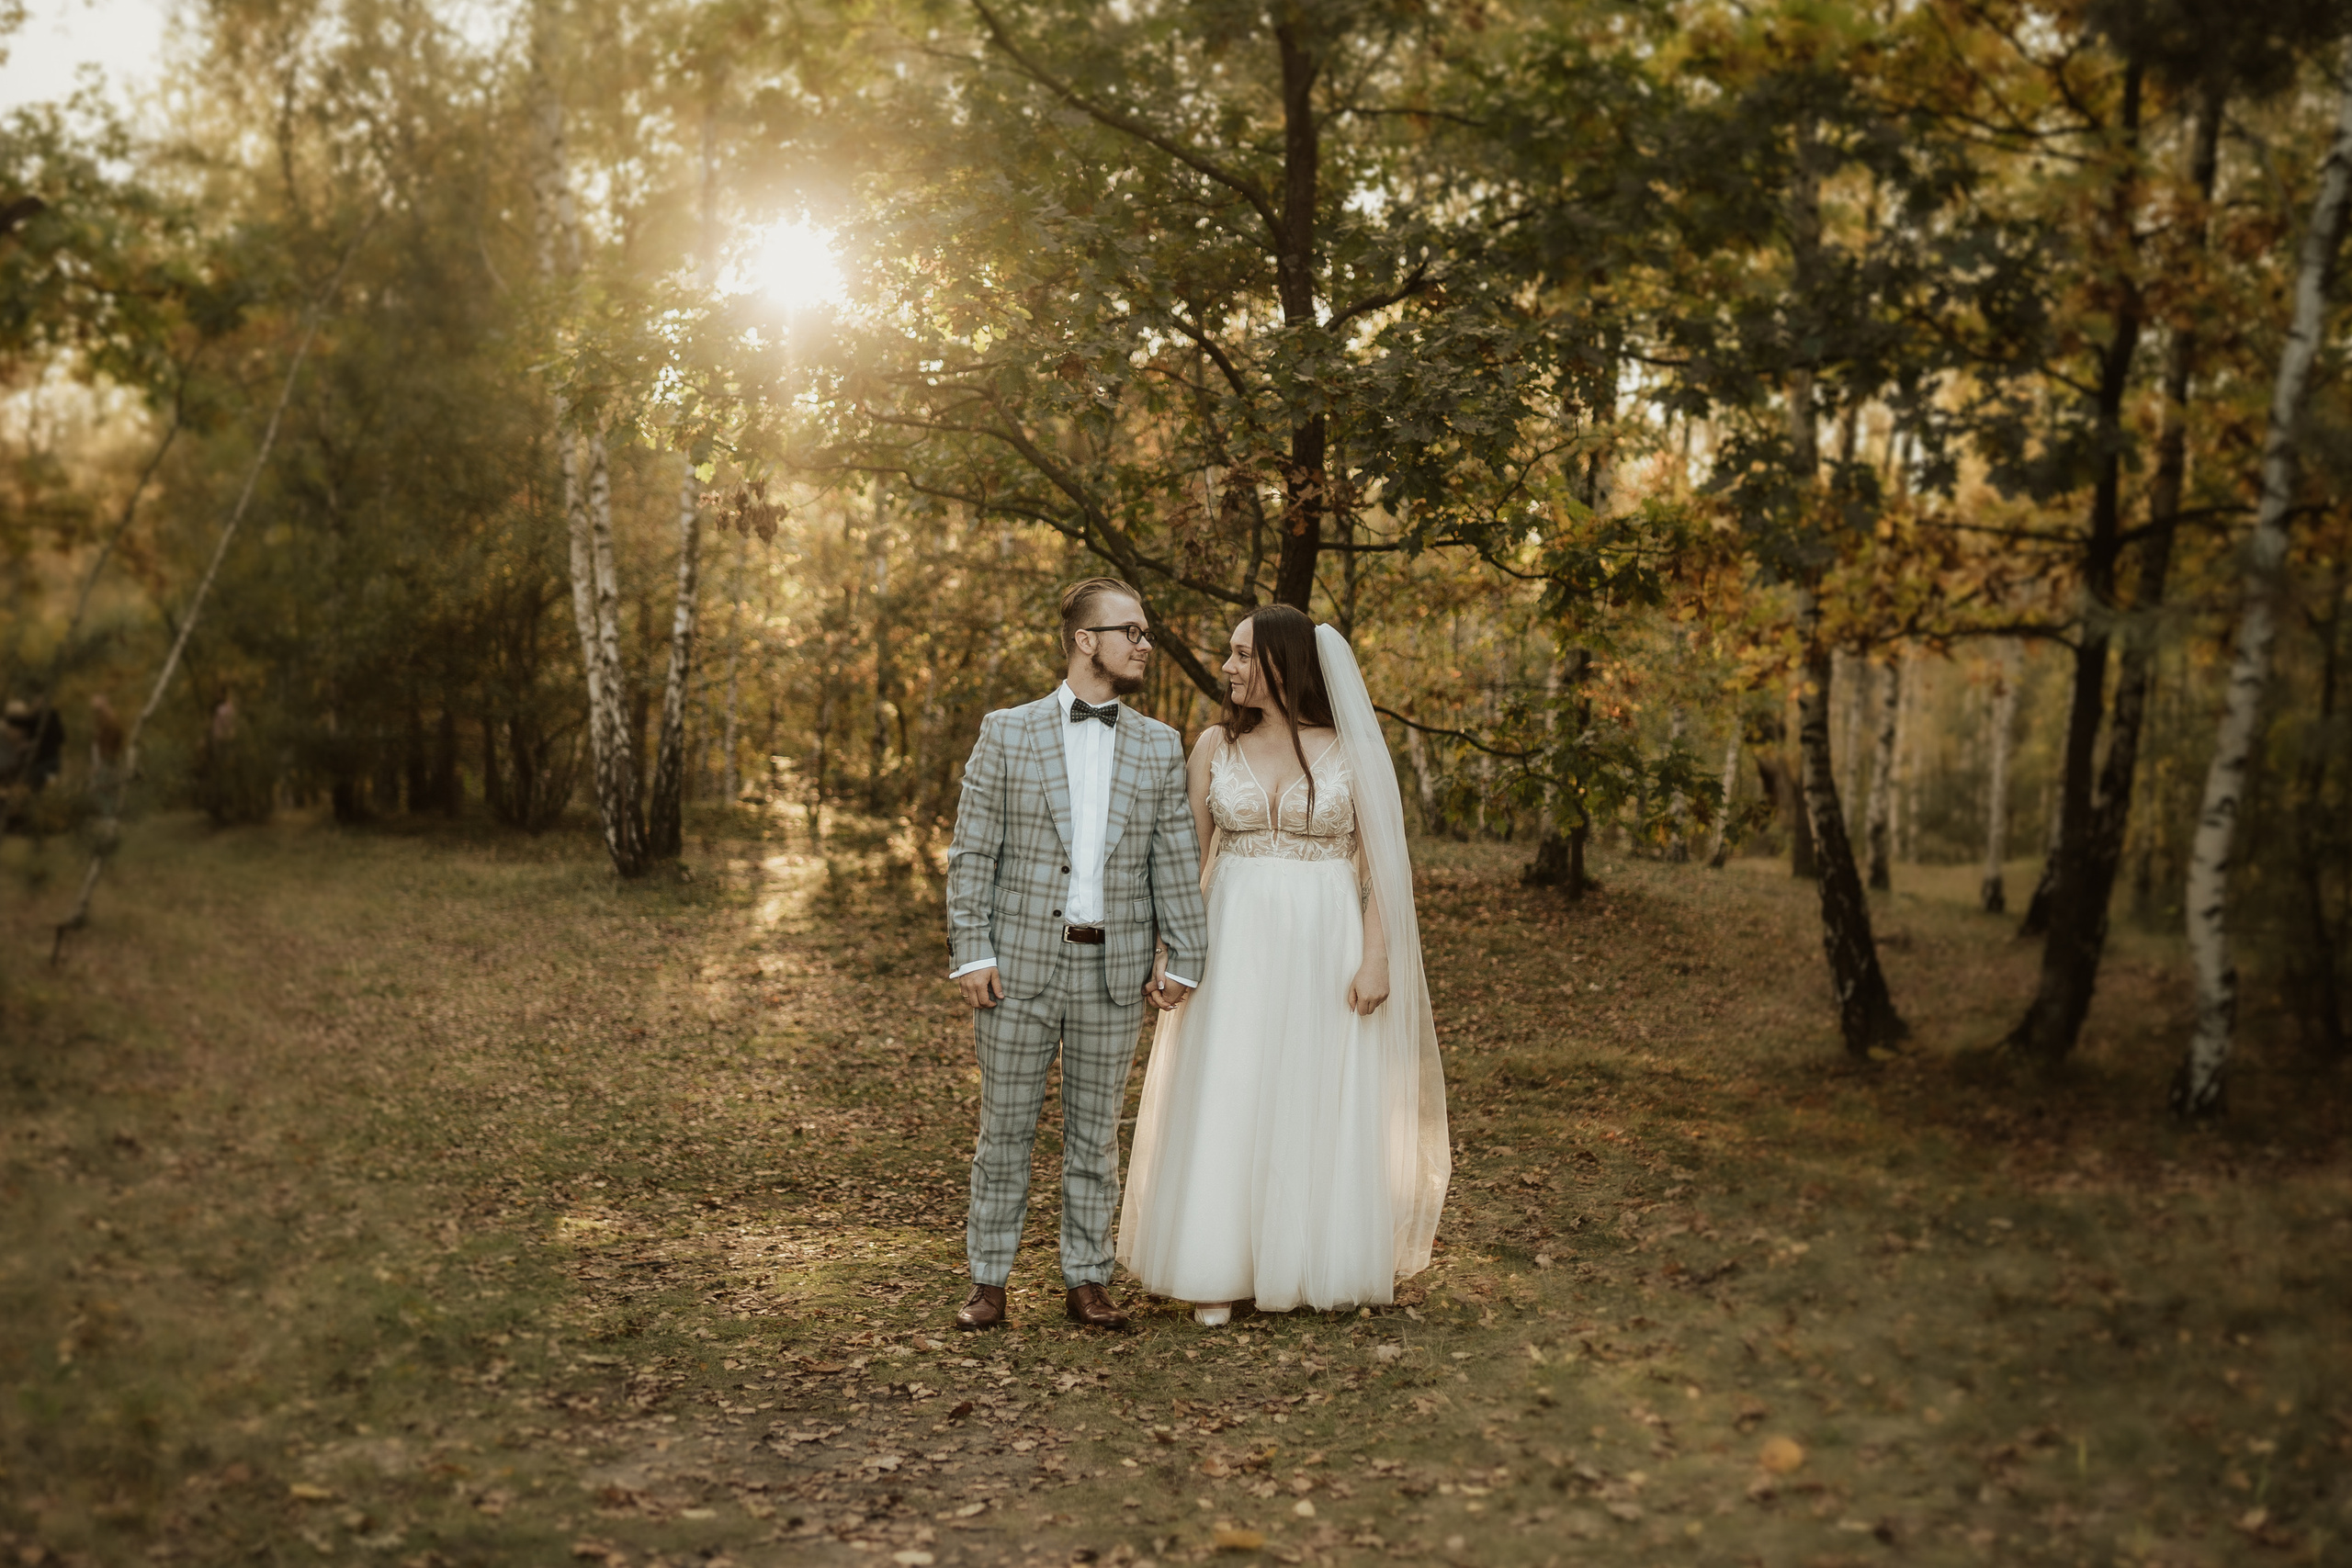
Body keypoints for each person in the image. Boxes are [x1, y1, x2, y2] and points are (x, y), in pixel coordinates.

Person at [1116, 606, 1451, 1325]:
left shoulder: (1353, 750)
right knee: (1229, 1084)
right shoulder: (1213, 745)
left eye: (1242, 654)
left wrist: (1377, 957)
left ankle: (1304, 1260)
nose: (1229, 666)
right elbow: (1182, 862)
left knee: (1310, 1084)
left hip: (1325, 940)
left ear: (1282, 662)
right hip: (1231, 937)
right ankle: (1217, 1265)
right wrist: (1167, 951)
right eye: (1232, 653)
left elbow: (1385, 869)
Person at [943, 578, 1212, 1332]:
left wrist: (1183, 953)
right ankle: (988, 1280)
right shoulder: (1006, 730)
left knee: (1095, 1136)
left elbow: (1172, 857)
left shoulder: (1160, 744)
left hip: (1114, 968)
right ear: (1086, 640)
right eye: (1132, 631)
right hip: (1019, 965)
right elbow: (973, 853)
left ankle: (1087, 1279)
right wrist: (972, 950)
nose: (1145, 645)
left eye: (1147, 634)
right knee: (1006, 1131)